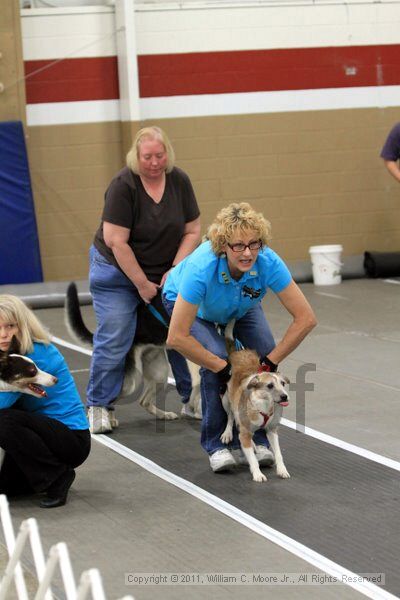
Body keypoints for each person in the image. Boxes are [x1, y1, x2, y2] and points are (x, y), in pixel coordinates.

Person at [163, 203, 317, 473]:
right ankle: (216, 445)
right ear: (223, 246)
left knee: (264, 352)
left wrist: (270, 362)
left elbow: (306, 318)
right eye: (238, 246)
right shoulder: (202, 268)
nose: (247, 252)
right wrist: (223, 369)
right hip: (192, 307)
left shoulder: (267, 261)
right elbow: (176, 337)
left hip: (239, 304)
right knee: (217, 360)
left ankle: (256, 437)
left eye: (254, 244)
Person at [88, 126, 201, 433]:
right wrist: (141, 284)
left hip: (164, 270)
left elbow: (192, 231)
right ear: (136, 157)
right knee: (115, 337)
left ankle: (191, 399)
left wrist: (175, 270)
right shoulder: (124, 185)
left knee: (181, 330)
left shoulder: (179, 180)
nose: (154, 162)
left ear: (168, 154)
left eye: (159, 155)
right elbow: (116, 241)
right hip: (117, 271)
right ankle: (99, 405)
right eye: (147, 156)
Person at [0, 295, 90, 508]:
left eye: (10, 326)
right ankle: (40, 475)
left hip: (70, 439)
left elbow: (2, 404)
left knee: (2, 420)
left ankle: (57, 477)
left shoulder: (33, 355)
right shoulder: (5, 354)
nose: (3, 334)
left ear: (22, 325)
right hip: (33, 437)